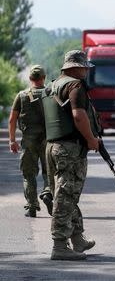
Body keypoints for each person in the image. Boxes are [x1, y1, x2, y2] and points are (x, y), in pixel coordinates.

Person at [43, 50, 100, 261]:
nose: (86, 70)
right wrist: (91, 139)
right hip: (70, 148)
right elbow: (78, 116)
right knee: (65, 196)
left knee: (67, 194)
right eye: (84, 66)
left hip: (53, 146)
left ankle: (77, 238)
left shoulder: (53, 85)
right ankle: (59, 245)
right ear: (75, 67)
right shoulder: (75, 86)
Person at [8, 65, 53, 218]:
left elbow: (12, 119)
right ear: (44, 78)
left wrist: (12, 140)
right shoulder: (51, 93)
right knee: (50, 172)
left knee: (28, 174)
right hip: (49, 139)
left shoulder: (21, 96)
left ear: (30, 79)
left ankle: (32, 206)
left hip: (28, 141)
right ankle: (48, 192)